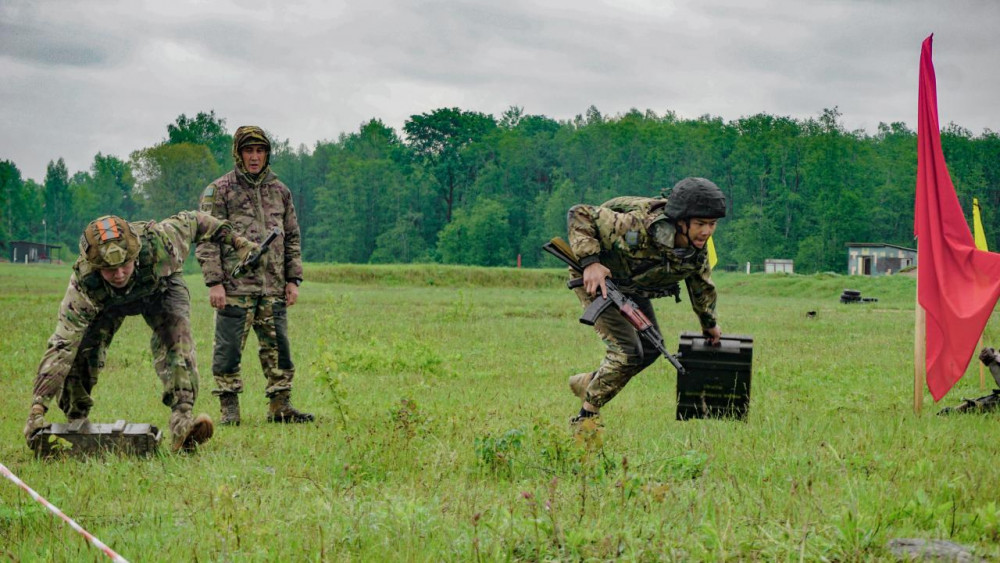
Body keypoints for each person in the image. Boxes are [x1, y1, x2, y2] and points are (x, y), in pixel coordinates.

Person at [23, 212, 259, 452]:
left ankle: (183, 422)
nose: (119, 274)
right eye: (109, 269)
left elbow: (199, 222)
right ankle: (76, 424)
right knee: (82, 350)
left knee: (177, 339)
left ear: (135, 256)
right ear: (95, 267)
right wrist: (37, 409)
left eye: (124, 265)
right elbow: (62, 346)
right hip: (107, 303)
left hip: (160, 288)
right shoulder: (85, 283)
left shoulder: (160, 241)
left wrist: (239, 243)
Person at [564, 177, 727, 424]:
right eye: (700, 223)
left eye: (712, 224)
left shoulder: (696, 251)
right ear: (681, 222)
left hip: (630, 285)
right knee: (628, 352)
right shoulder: (634, 227)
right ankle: (586, 420)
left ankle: (590, 382)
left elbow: (701, 285)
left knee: (651, 348)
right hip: (596, 279)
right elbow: (579, 214)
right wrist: (591, 263)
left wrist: (709, 324)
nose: (706, 231)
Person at [195, 125, 313, 426]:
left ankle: (281, 405)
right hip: (235, 287)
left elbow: (293, 238)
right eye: (249, 150)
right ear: (238, 153)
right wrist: (215, 282)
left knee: (279, 349)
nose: (255, 157)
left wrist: (292, 279)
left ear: (267, 153)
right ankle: (230, 410)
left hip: (272, 285)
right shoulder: (219, 190)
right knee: (228, 350)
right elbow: (207, 239)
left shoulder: (280, 191)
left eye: (260, 150)